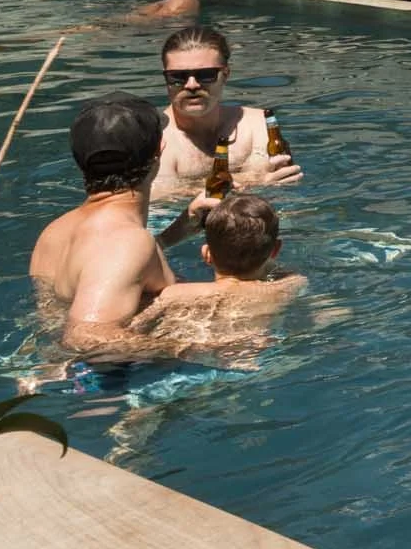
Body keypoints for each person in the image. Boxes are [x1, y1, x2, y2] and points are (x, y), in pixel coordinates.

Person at [29, 93, 218, 357]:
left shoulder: (54, 232)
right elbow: (85, 338)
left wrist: (176, 231)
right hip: (115, 389)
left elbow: (56, 320)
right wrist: (208, 347)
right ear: (159, 149)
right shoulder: (127, 242)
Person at [155, 25, 302, 199]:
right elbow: (159, 196)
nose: (192, 84)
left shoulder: (256, 123)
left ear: (225, 75)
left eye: (206, 74)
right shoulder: (155, 135)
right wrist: (254, 180)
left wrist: (194, 188)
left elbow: (274, 183)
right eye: (177, 77)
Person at [133, 195, 307, 336]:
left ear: (206, 254)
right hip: (257, 358)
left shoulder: (174, 294)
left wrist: (162, 241)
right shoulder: (289, 286)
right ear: (275, 250)